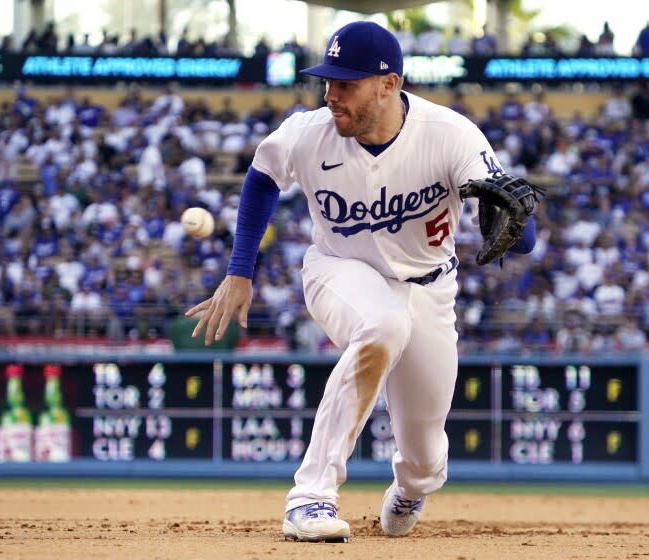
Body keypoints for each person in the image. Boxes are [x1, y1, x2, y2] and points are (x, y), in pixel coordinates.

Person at [186, 21, 537, 542]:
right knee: (382, 324)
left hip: (431, 289)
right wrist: (240, 270)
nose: (331, 95)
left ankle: (411, 487)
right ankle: (311, 497)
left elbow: (521, 237)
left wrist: (514, 228)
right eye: (327, 82)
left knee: (425, 455)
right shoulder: (309, 133)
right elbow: (262, 177)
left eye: (345, 84)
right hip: (338, 269)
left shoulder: (450, 135)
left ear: (389, 84)